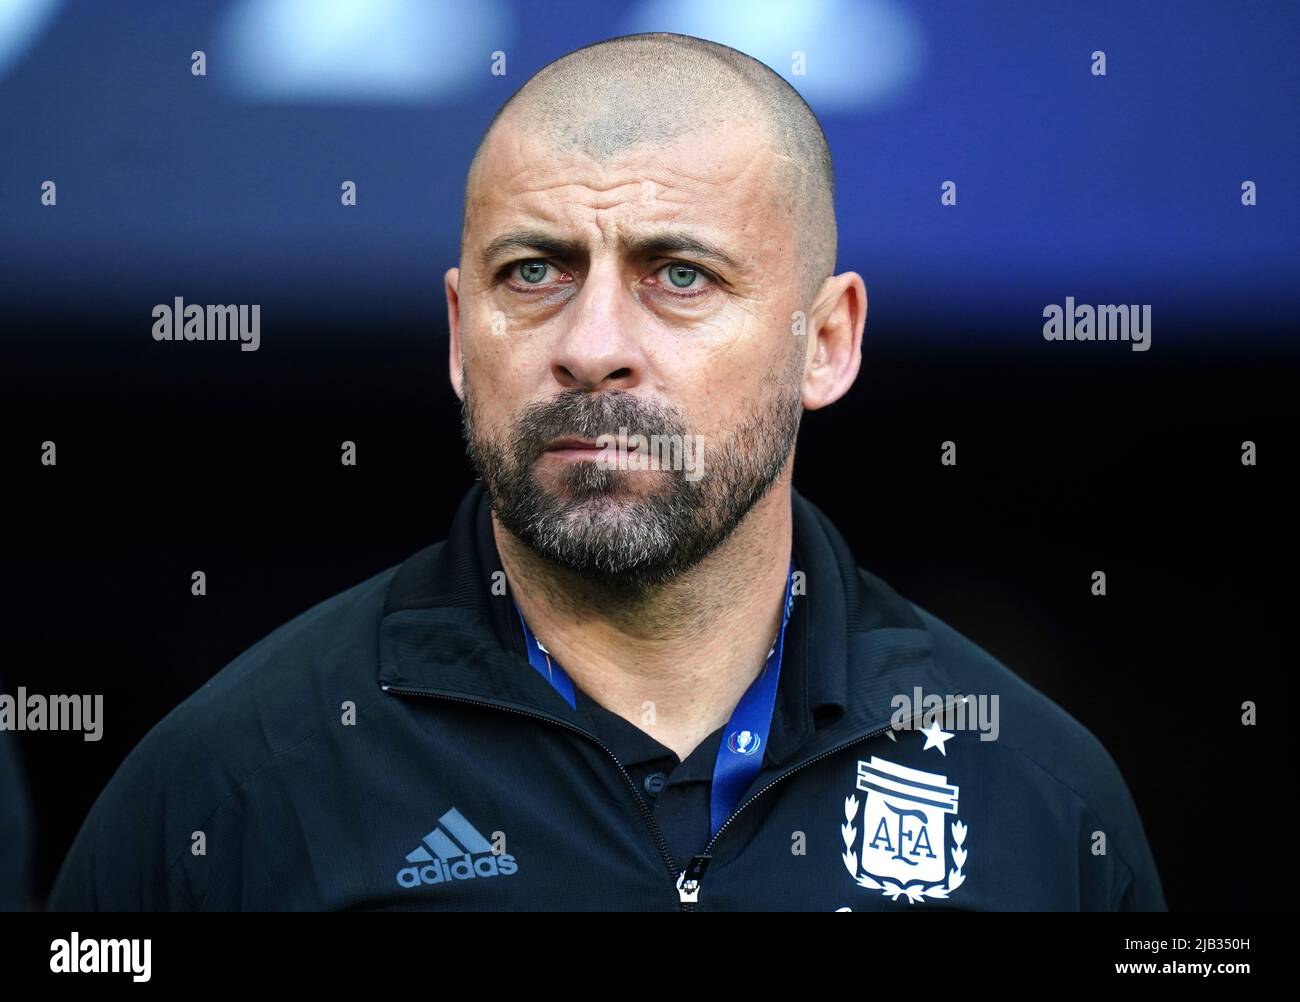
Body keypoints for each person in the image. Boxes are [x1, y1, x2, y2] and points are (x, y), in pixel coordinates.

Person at [48, 32, 1164, 911]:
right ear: (456, 333)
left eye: (679, 275)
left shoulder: (1034, 795)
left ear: (825, 342)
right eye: (533, 271)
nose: (590, 344)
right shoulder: (235, 780)